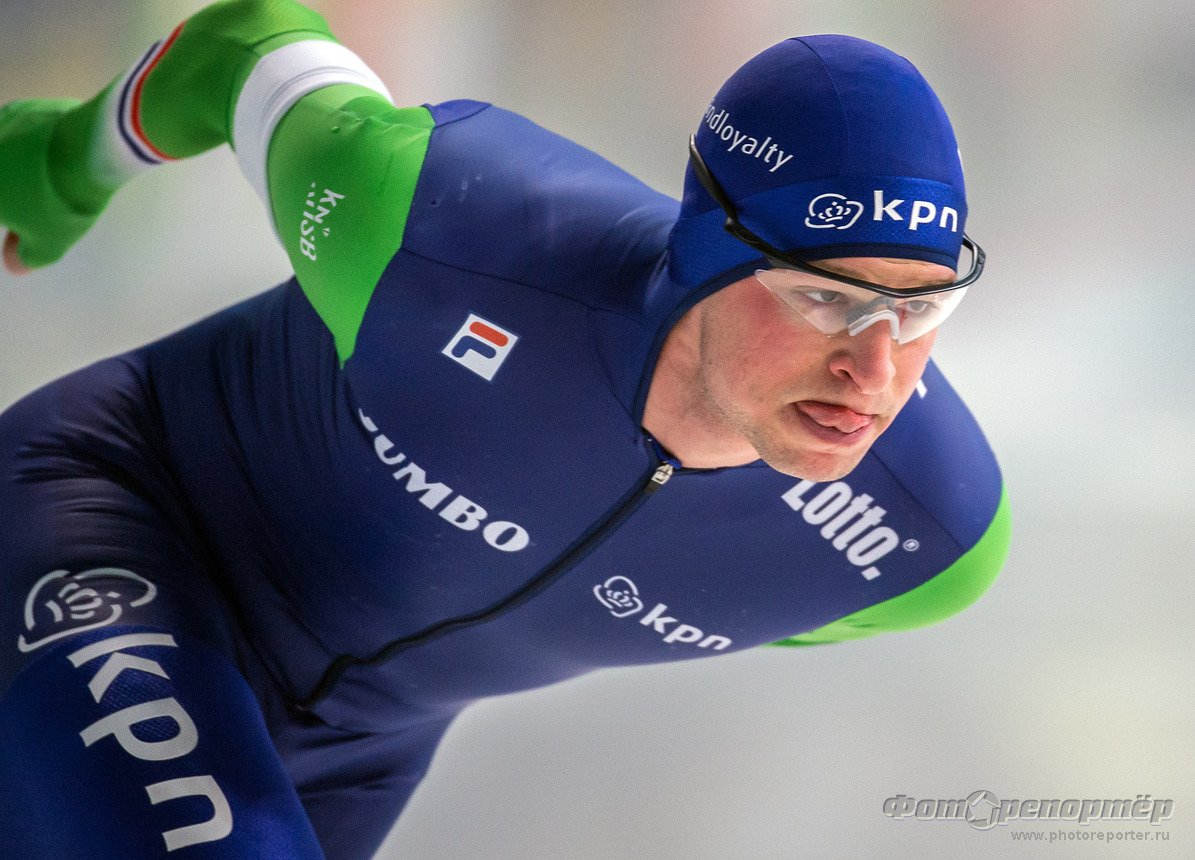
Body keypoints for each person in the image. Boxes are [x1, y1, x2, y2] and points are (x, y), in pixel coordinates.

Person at [0, 1, 1010, 857]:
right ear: (709, 254)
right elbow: (246, 45)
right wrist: (61, 164)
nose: (875, 366)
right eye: (824, 298)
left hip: (355, 750)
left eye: (921, 306)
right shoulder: (440, 226)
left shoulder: (926, 543)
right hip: (116, 520)